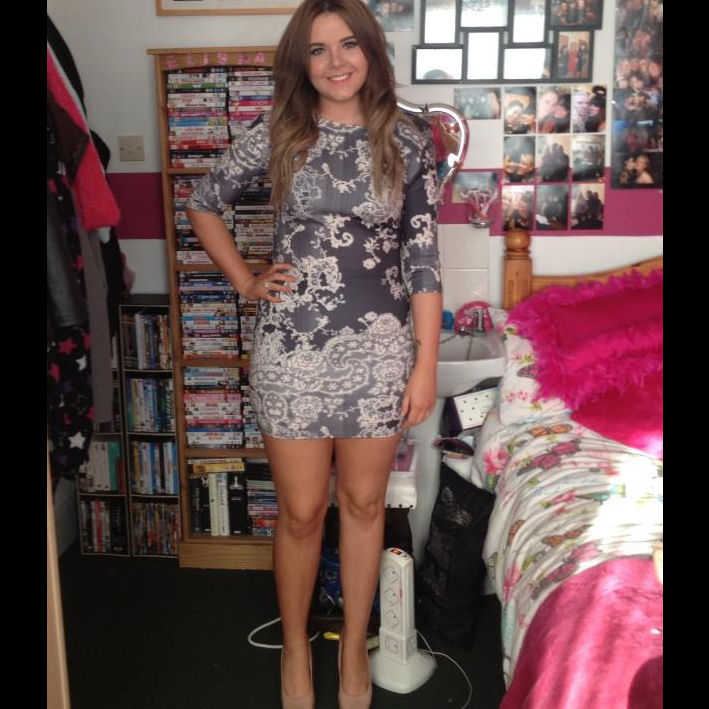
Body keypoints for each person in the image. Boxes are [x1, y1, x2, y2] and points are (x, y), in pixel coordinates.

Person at [185, 1, 442, 707]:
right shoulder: (281, 131)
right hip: (291, 349)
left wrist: (424, 365)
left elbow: (423, 260)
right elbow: (203, 201)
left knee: (362, 504)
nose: (336, 62)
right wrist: (246, 280)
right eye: (319, 49)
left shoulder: (410, 139)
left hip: (381, 352)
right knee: (300, 513)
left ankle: (353, 649)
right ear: (301, 61)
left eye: (349, 44)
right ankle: (296, 649)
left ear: (371, 52)